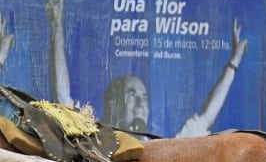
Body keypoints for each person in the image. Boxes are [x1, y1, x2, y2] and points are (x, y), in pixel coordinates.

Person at [98, 21, 248, 138]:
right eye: (131, 95)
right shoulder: (97, 147)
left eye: (144, 98)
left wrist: (234, 62)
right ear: (113, 105)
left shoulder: (161, 149)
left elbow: (206, 117)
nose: (140, 104)